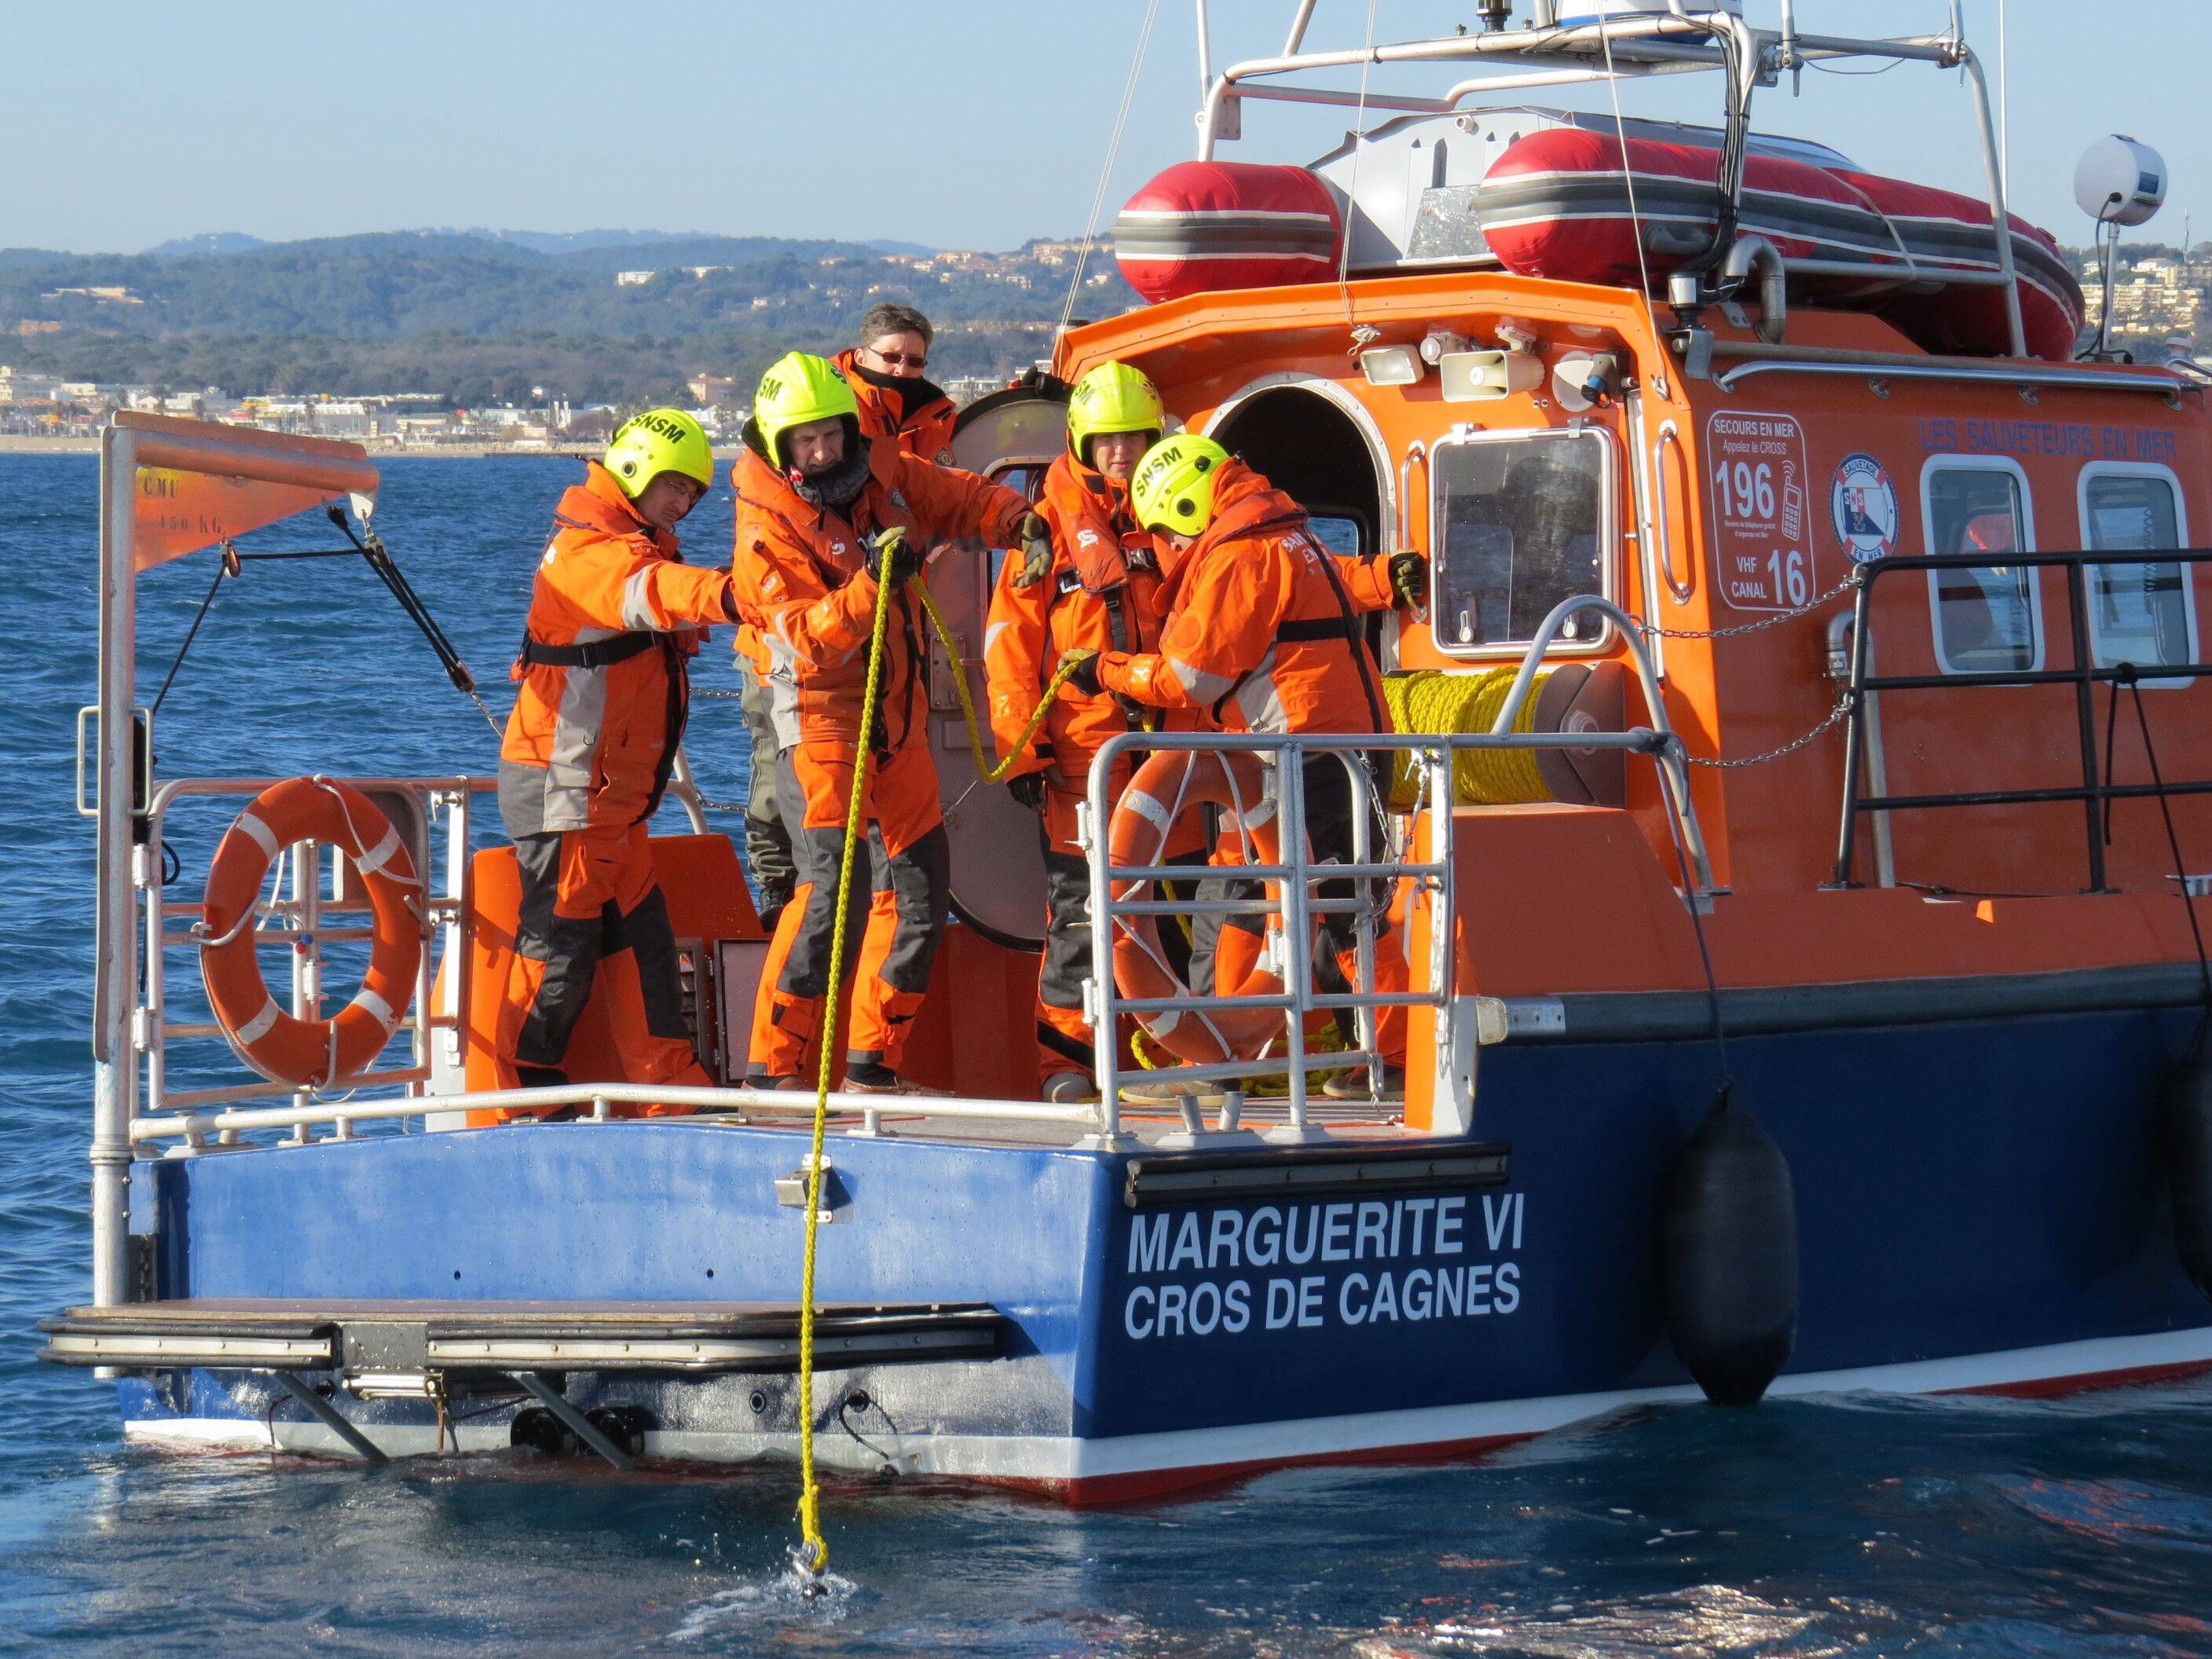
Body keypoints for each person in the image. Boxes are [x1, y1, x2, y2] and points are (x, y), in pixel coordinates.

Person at [1068, 434, 1428, 1096]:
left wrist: (1104, 669)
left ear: (1182, 510)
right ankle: (1226, 1056)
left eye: (1163, 536)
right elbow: (1335, 586)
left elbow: (1193, 677)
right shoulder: (1290, 535)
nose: (1166, 552)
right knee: (1249, 898)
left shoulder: (1240, 555)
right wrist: (1384, 576)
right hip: (1316, 750)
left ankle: (1400, 1059)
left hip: (1307, 752)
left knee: (1349, 910)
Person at [732, 350, 1047, 1094]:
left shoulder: (884, 470)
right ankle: (770, 1073)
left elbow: (959, 497)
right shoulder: (764, 532)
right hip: (822, 723)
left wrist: (1022, 521)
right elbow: (804, 637)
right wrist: (875, 585)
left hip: (895, 717)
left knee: (920, 891)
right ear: (781, 449)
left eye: (832, 437)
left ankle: (874, 1063)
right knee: (828, 893)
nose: (822, 453)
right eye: (805, 443)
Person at [495, 408, 741, 1107]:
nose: (684, 503)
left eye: (694, 494)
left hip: (613, 802)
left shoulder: (638, 548)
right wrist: (733, 594)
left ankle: (670, 1089)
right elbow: (653, 595)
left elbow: (661, 599)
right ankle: (522, 1089)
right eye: (676, 487)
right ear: (634, 471)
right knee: (558, 945)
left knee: (646, 948)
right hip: (565, 789)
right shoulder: (590, 556)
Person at [983, 361, 1199, 1101]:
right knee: (1080, 908)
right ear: (1080, 440)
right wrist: (1020, 749)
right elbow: (1008, 643)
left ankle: (1180, 1058)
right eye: (1106, 440)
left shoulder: (1177, 508)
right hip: (1084, 752)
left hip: (1175, 746)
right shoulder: (1043, 528)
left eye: (1133, 439)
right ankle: (1066, 1067)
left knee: (1179, 901)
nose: (1120, 454)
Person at [836, 301, 957, 466]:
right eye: (891, 357)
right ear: (860, 358)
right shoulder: (833, 407)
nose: (902, 369)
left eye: (914, 361)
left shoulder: (940, 416)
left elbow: (950, 481)